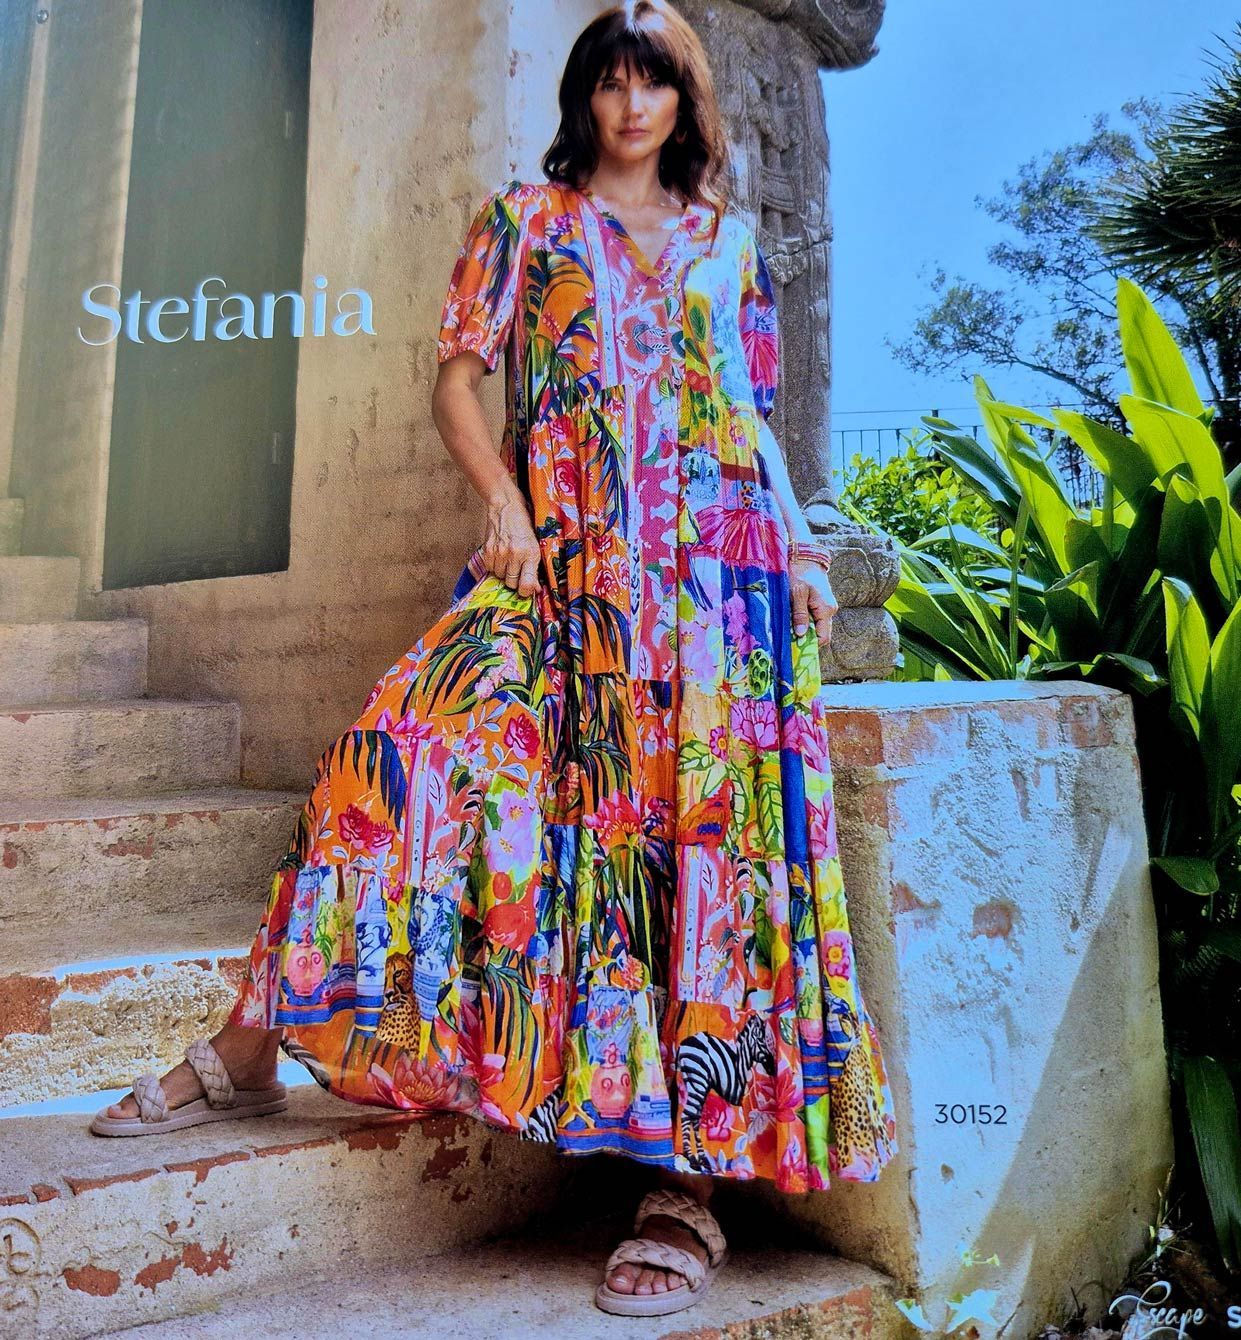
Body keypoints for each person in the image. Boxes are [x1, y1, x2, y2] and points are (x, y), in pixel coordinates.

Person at [88, 0, 897, 1317]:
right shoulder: (524, 221)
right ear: (584, 98)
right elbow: (457, 379)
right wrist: (506, 507)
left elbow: (748, 412)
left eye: (653, 84)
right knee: (386, 764)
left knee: (700, 867)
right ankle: (250, 1043)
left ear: (683, 102)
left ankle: (683, 1191)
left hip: (713, 595)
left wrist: (800, 548)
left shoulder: (725, 243)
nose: (631, 106)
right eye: (610, 83)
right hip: (559, 576)